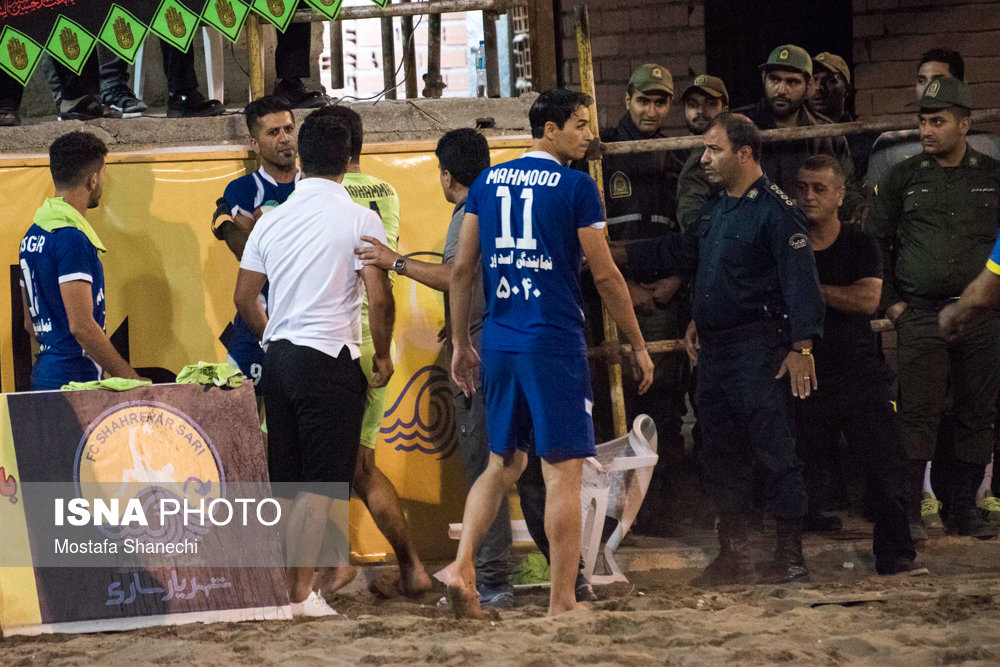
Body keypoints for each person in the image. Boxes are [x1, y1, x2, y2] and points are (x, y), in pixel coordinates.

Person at [356, 128, 598, 608]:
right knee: (541, 471)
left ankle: (487, 580)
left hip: (493, 350)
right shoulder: (531, 196)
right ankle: (569, 582)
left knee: (493, 465)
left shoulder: (474, 207)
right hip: (536, 341)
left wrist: (396, 263)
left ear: (446, 176)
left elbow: (458, 274)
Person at [445, 89, 654, 618]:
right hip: (554, 342)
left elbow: (463, 269)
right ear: (550, 130)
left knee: (501, 465)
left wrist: (463, 342)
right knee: (564, 473)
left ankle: (461, 567)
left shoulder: (487, 182)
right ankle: (562, 600)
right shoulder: (577, 187)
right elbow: (605, 276)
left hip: (500, 340)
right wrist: (637, 342)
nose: (590, 135)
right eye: (581, 124)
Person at [616, 113, 824, 586]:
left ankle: (790, 555)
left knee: (774, 449)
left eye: (714, 150)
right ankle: (733, 553)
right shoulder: (718, 208)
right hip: (715, 353)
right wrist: (614, 253)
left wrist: (803, 347)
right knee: (719, 451)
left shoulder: (776, 211)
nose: (704, 159)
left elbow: (801, 283)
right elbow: (687, 252)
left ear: (744, 154)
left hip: (759, 349)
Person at [234, 115, 394, 616]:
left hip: (279, 360)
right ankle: (300, 595)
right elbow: (379, 297)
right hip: (329, 359)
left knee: (287, 484)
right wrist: (383, 353)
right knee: (319, 488)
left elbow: (243, 298)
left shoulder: (271, 219)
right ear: (348, 161)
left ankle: (288, 588)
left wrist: (275, 339)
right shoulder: (360, 219)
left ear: (301, 157)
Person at [307, 104, 431, 599]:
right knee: (359, 465)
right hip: (375, 336)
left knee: (308, 461)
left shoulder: (317, 196)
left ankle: (335, 565)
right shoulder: (386, 192)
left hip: (332, 340)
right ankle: (412, 567)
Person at [868, 77, 1000, 540]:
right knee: (916, 414)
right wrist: (893, 305)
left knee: (976, 411)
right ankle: (908, 512)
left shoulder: (992, 176)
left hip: (981, 317)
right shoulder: (901, 176)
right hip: (921, 314)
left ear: (964, 124)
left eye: (938, 121)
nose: (926, 130)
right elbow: (874, 245)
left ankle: (962, 510)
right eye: (923, 120)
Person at [793, 155, 924, 575]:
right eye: (802, 188)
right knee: (788, 466)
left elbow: (867, 300)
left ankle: (896, 555)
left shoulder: (858, 243)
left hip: (857, 371)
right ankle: (786, 559)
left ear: (840, 195)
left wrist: (809, 289)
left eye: (819, 188)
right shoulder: (788, 242)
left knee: (886, 464)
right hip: (804, 373)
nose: (809, 196)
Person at [19, 131, 143, 389]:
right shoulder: (72, 238)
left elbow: (30, 324)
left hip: (45, 377)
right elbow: (82, 327)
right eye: (104, 173)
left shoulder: (32, 234)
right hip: (75, 383)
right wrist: (131, 379)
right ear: (93, 180)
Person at [214, 96, 300, 394]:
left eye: (289, 129)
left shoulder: (314, 184)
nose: (284, 138)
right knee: (238, 415)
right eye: (273, 132)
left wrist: (264, 225)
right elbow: (247, 252)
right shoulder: (243, 189)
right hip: (255, 326)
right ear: (255, 144)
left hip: (306, 327)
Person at [734, 44, 861, 221]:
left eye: (792, 82)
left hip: (807, 231)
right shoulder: (735, 127)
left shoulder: (827, 134)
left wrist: (859, 210)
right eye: (774, 79)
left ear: (810, 85)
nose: (781, 90)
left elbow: (845, 190)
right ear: (764, 78)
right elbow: (706, 187)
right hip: (749, 230)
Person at [866, 48, 1000, 187]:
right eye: (921, 80)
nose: (928, 88)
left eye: (938, 81)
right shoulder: (889, 147)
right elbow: (875, 198)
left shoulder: (990, 145)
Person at [808, 52, 879, 186]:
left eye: (830, 81)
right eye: (814, 80)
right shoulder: (802, 137)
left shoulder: (864, 139)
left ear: (847, 89)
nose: (819, 87)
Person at [675, 74, 730, 231]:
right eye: (692, 104)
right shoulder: (674, 154)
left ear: (725, 109)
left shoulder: (732, 151)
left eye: (710, 104)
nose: (700, 111)